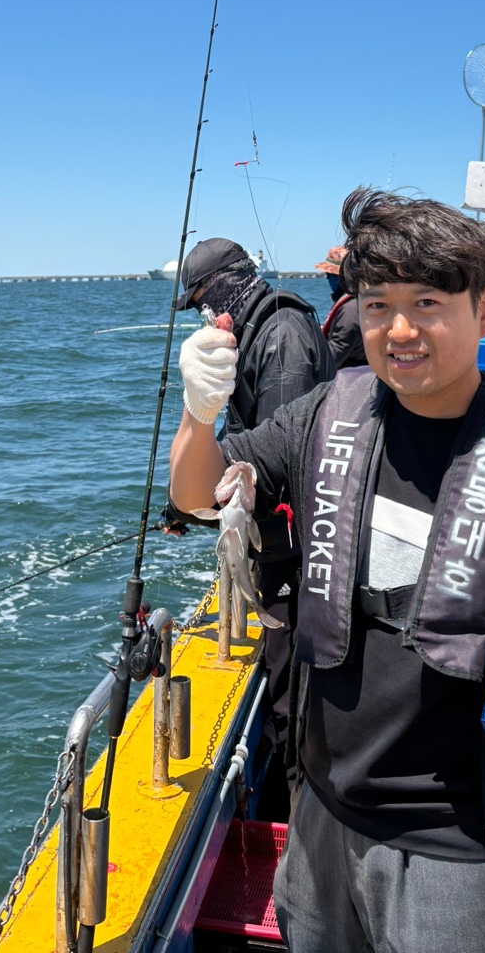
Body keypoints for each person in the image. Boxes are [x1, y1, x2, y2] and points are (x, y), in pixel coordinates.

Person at [170, 190, 485, 953]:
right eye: (378, 304)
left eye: (428, 302)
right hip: (319, 812)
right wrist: (199, 409)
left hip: (457, 850)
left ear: (484, 311)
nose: (400, 329)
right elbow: (197, 496)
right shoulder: (326, 415)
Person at [171, 236, 334, 779]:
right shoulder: (254, 332)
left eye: (204, 301)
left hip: (298, 553)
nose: (204, 315)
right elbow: (239, 443)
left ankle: (297, 796)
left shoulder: (281, 336)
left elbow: (276, 460)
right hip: (274, 546)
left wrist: (214, 498)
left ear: (230, 286)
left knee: (291, 696)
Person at [315, 244, 367, 369]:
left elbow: (336, 353)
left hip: (353, 376)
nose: (327, 277)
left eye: (332, 274)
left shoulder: (350, 308)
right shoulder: (356, 301)